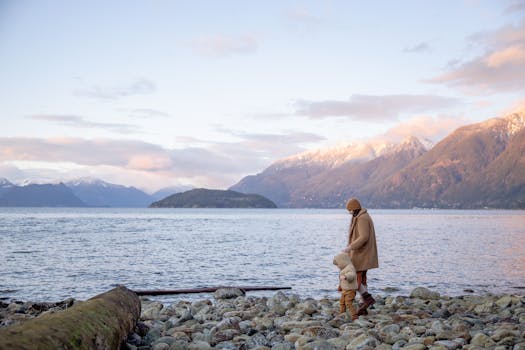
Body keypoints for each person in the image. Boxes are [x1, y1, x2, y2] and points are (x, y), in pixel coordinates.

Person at [342, 198, 378, 316]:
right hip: (364, 252)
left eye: (350, 211)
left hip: (361, 252)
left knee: (354, 277)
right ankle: (364, 304)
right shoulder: (361, 216)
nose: (350, 213)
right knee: (362, 278)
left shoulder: (362, 218)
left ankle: (367, 299)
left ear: (355, 209)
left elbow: (363, 237)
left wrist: (350, 247)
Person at [333, 252, 358, 320]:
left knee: (348, 303)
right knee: (342, 302)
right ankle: (342, 313)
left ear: (343, 261)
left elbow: (352, 275)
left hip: (350, 290)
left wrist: (346, 276)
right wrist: (340, 286)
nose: (337, 266)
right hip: (344, 290)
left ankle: (354, 315)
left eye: (338, 264)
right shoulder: (343, 269)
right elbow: (341, 280)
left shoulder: (350, 267)